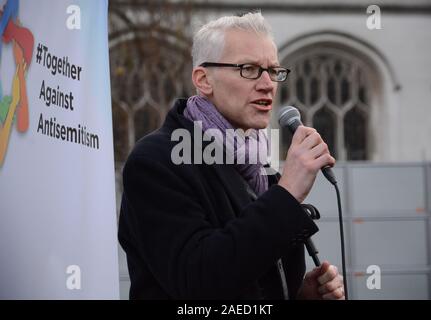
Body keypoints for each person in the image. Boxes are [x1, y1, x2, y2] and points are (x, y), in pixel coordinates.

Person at [118, 11, 345, 300]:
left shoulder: (258, 163)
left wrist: (300, 296)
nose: (267, 84)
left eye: (273, 71)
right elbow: (199, 282)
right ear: (203, 80)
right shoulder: (156, 161)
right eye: (249, 69)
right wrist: (287, 195)